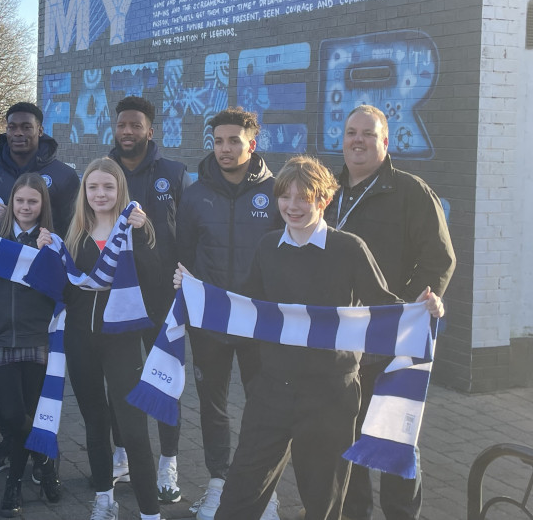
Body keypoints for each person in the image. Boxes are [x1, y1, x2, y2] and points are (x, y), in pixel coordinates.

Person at [175, 155, 445, 520]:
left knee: (323, 503)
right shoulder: (268, 247)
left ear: (324, 200)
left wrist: (426, 310)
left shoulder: (349, 248)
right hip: (271, 390)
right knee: (239, 496)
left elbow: (386, 307)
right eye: (285, 197)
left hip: (330, 396)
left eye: (304, 197)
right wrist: (196, 291)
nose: (292, 206)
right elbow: (244, 304)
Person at [325, 105, 455, 520]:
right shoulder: (327, 189)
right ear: (341, 139)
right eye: (350, 133)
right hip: (341, 341)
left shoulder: (411, 191)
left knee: (395, 438)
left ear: (385, 141)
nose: (357, 140)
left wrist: (402, 310)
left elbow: (439, 260)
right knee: (349, 436)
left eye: (368, 133)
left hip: (392, 340)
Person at [176, 107, 281, 520]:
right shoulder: (195, 194)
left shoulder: (276, 190)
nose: (224, 148)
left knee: (262, 405)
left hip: (259, 322)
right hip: (211, 321)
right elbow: (184, 254)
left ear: (251, 144)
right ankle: (218, 483)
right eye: (218, 140)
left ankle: (263, 492)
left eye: (233, 140)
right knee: (213, 404)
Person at [64, 157, 161, 520]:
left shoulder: (135, 229)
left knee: (133, 429)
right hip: (79, 340)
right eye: (93, 187)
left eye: (108, 186)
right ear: (84, 192)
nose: (100, 194)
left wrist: (145, 231)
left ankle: (150, 511)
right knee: (95, 421)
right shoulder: (73, 234)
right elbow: (62, 289)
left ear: (120, 190)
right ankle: (104, 496)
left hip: (121, 341)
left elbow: (155, 279)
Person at [108, 95, 189, 503]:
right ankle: (121, 454)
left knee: (164, 382)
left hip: (162, 298)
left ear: (150, 130)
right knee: (122, 381)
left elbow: (187, 233)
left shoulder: (173, 173)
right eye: (122, 124)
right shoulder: (103, 172)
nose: (127, 132)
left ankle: (168, 462)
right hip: (117, 296)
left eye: (135, 125)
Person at [0, 173, 62, 516]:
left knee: (31, 410)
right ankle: (43, 457)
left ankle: (13, 483)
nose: (26, 207)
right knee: (10, 416)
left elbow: (63, 289)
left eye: (33, 201)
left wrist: (50, 254)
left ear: (42, 206)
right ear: (11, 202)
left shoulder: (52, 242)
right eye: (20, 201)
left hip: (35, 336)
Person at [0, 102, 80, 235]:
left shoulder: (64, 175)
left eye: (26, 127)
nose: (18, 133)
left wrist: (14, 219)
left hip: (45, 253)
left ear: (40, 130)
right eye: (12, 127)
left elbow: (71, 228)